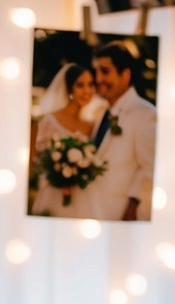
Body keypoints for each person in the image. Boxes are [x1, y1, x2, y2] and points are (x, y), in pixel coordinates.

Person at [31, 62, 108, 219]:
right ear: (69, 88)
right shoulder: (49, 120)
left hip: (83, 194)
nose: (87, 91)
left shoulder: (91, 125)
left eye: (90, 85)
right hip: (54, 191)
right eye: (80, 85)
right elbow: (36, 159)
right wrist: (58, 171)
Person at [89, 42, 156, 220]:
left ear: (125, 75)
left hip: (123, 215)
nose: (98, 79)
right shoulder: (102, 112)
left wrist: (132, 206)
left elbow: (149, 167)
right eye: (96, 72)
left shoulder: (146, 114)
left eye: (105, 71)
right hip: (96, 211)